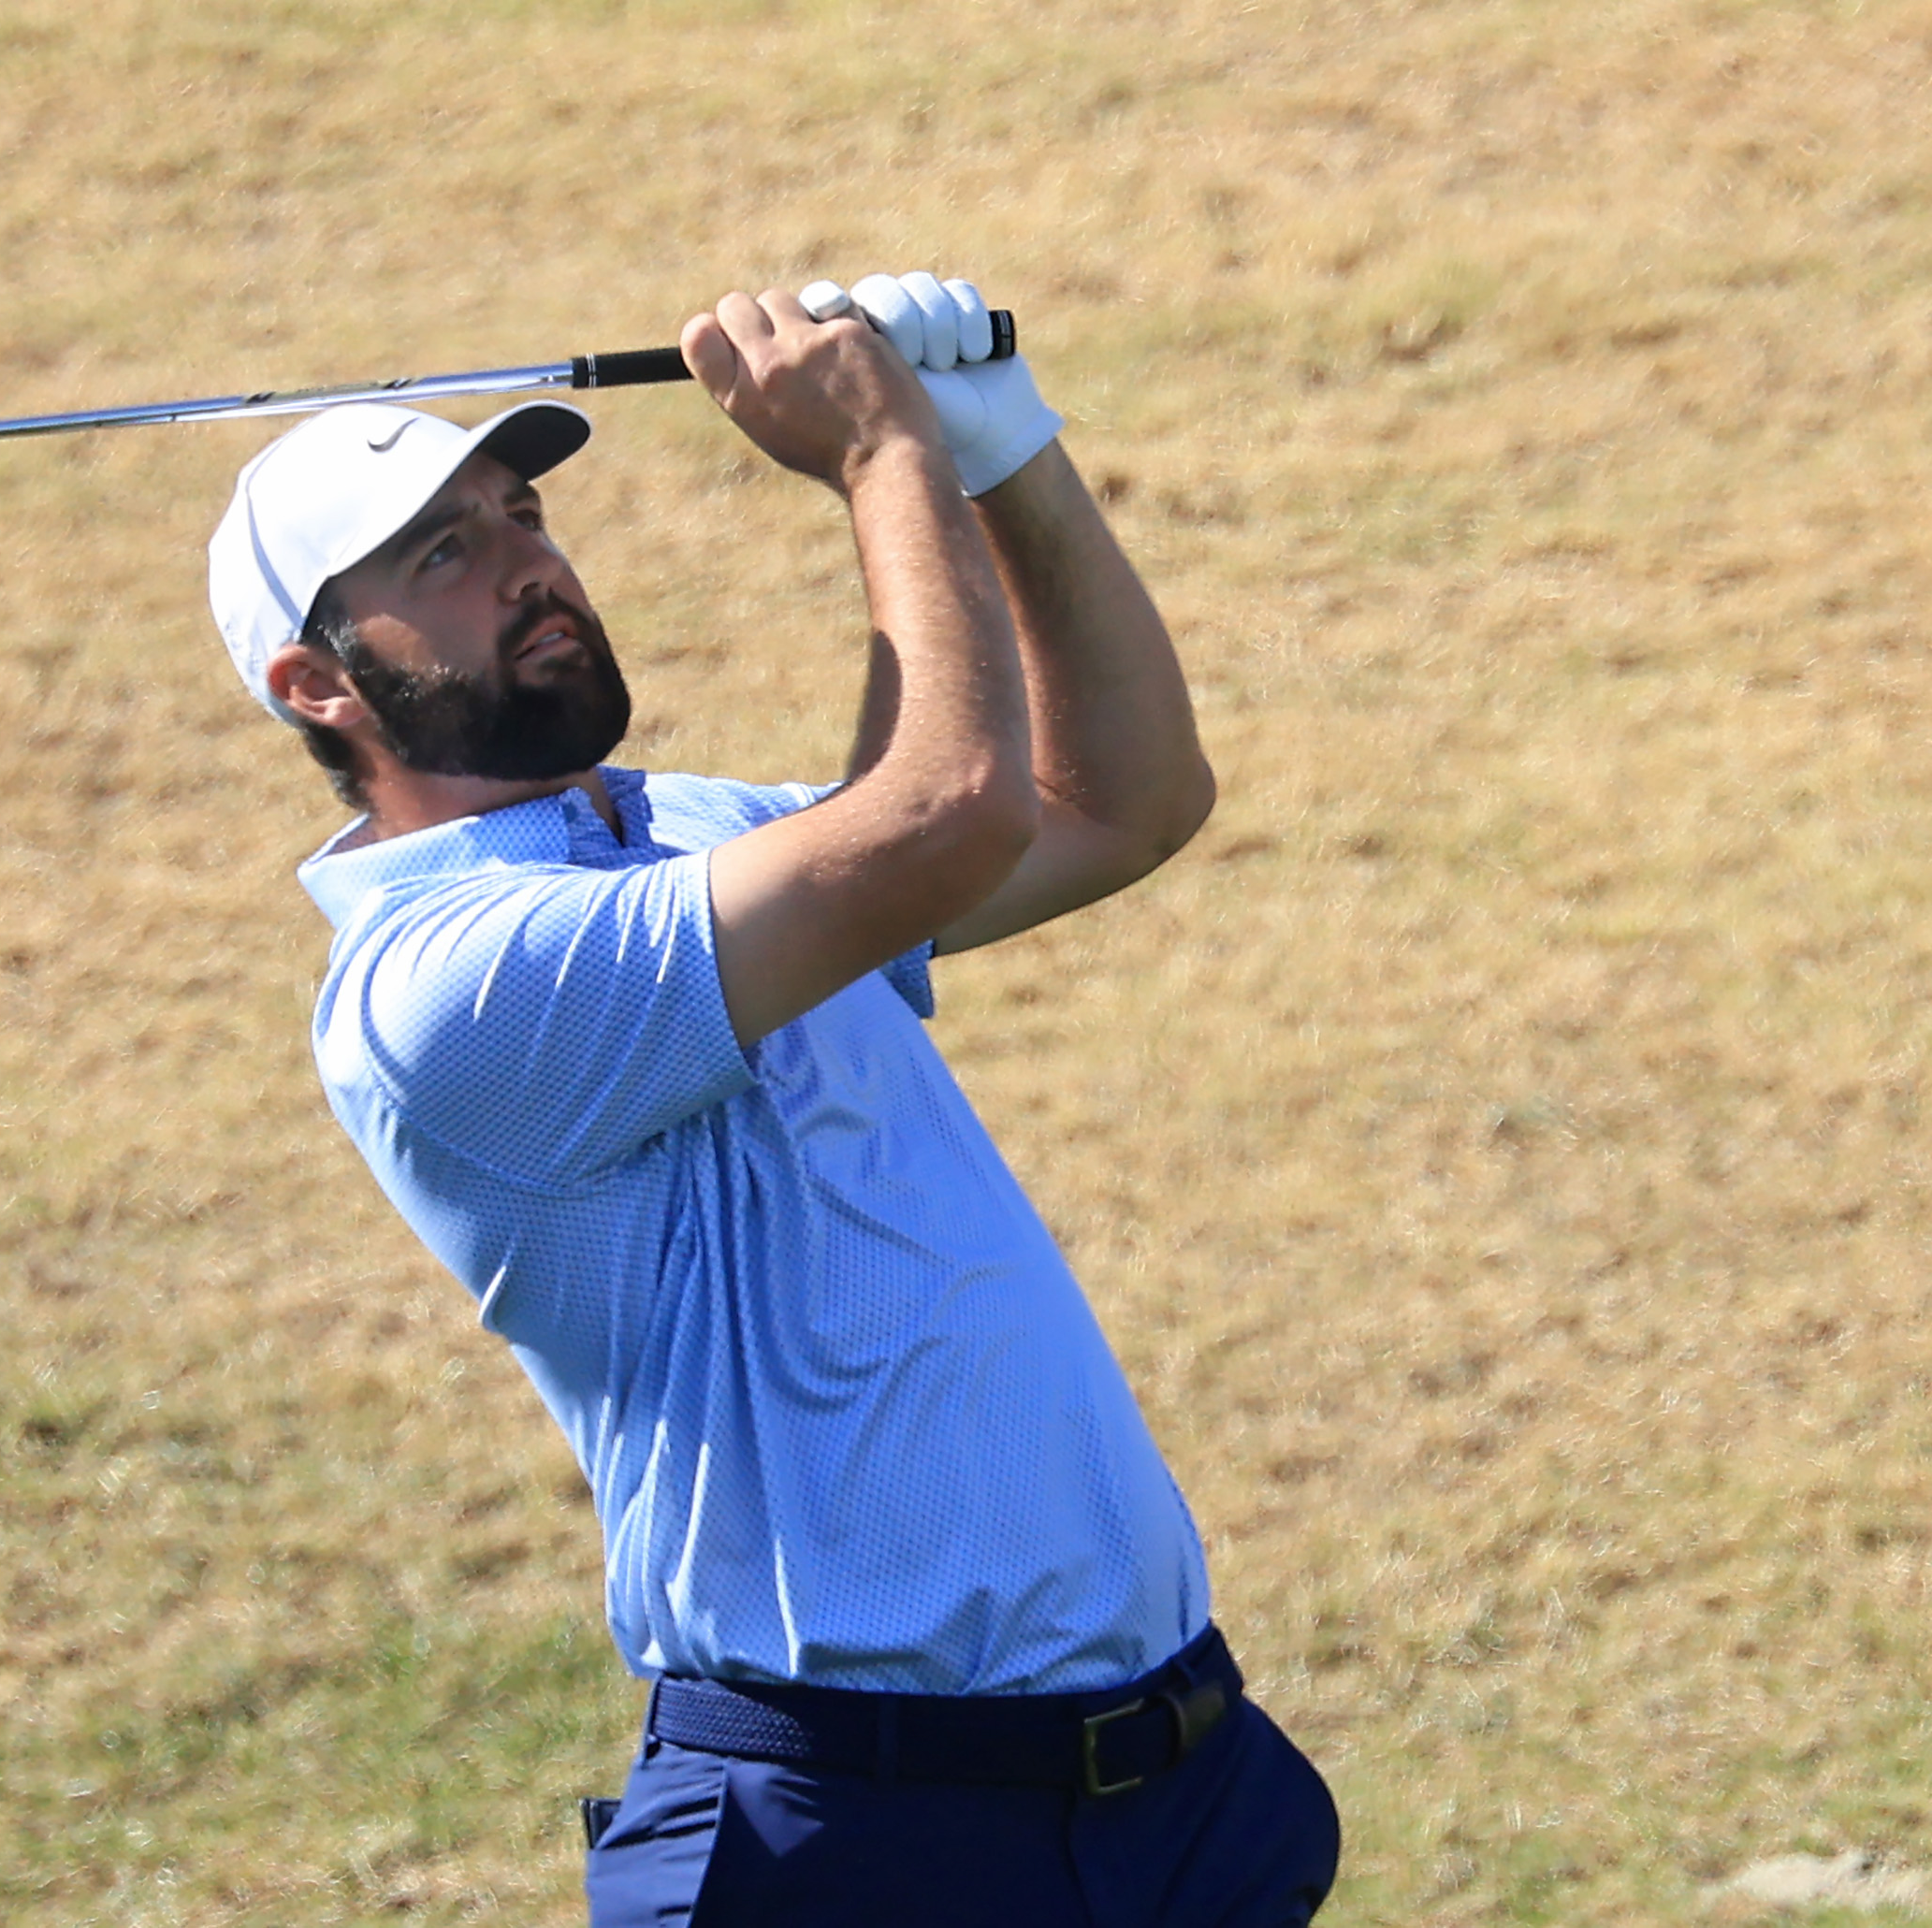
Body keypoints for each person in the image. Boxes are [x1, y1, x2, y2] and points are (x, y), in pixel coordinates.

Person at [204, 271, 1341, 1926]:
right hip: (852, 1841)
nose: (526, 559)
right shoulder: (441, 985)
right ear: (319, 684)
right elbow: (947, 812)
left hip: (1176, 1802)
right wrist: (885, 455)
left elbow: (1120, 800)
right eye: (437, 557)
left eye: (518, 510)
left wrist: (1003, 445)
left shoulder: (687, 830)